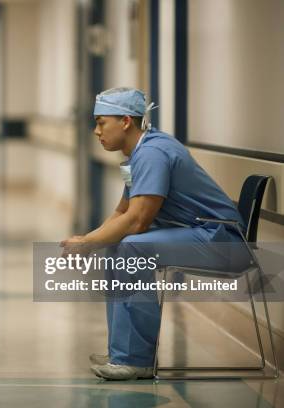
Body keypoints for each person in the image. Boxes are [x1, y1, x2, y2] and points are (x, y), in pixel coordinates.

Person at [60, 87, 247, 380]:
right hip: (197, 234)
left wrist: (86, 243)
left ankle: (135, 359)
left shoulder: (152, 154)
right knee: (117, 247)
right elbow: (123, 211)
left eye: (100, 122)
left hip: (223, 241)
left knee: (133, 247)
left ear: (125, 121)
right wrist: (89, 241)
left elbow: (138, 222)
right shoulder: (135, 155)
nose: (96, 131)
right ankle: (122, 351)